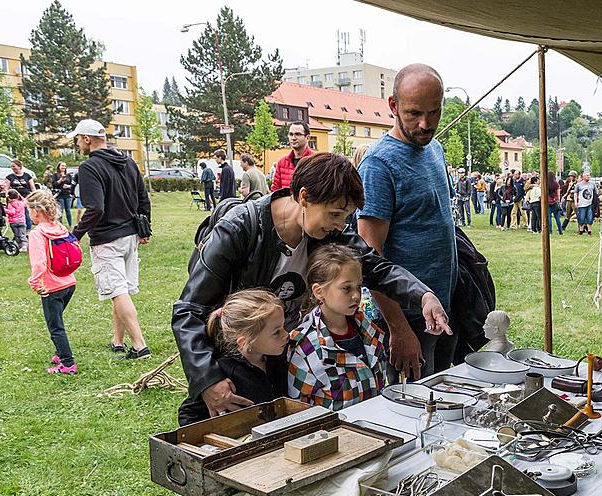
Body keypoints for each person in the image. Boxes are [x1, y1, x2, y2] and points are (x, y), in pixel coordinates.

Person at [174, 152, 450, 422]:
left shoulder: (328, 232)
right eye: (334, 214)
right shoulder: (238, 229)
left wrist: (423, 295)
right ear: (304, 197)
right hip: (234, 369)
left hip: (279, 358)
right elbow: (189, 310)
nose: (340, 226)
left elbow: (376, 267)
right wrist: (208, 379)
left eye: (346, 217)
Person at [357, 63, 458, 383]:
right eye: (414, 113)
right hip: (406, 318)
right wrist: (399, 330)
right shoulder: (378, 164)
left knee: (444, 399)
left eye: (435, 112)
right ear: (393, 106)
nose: (425, 124)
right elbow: (370, 258)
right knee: (415, 413)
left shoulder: (435, 148)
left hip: (441, 309)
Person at [68, 119, 152, 360]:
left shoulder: (89, 168)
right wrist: (144, 229)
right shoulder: (127, 161)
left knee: (117, 291)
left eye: (77, 138)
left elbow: (95, 209)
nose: (76, 143)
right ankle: (118, 340)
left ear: (87, 139)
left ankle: (139, 345)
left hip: (107, 239)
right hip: (130, 237)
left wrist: (76, 235)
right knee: (121, 289)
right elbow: (143, 199)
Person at [287, 244, 387, 410]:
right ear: (319, 291)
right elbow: (298, 409)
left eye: (359, 286)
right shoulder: (304, 347)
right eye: (346, 288)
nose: (356, 295)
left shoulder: (368, 329)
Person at [177, 289, 289, 425]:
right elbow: (188, 414)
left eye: (283, 327)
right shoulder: (224, 374)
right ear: (245, 342)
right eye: (276, 332)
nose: (286, 335)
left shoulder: (278, 360)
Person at [25, 190, 78, 374]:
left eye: (29, 210)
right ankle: (60, 351)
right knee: (57, 318)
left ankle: (68, 363)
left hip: (51, 286)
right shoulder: (60, 228)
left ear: (36, 212)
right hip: (69, 283)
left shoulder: (37, 233)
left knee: (55, 326)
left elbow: (39, 263)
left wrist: (34, 283)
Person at [271, 121, 315, 191]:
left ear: (307, 138)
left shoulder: (316, 161)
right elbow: (275, 190)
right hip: (286, 201)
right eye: (291, 134)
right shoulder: (282, 163)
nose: (293, 138)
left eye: (298, 134)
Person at [7, 159, 36, 231]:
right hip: (15, 199)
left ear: (19, 166)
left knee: (26, 213)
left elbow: (32, 187)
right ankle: (18, 230)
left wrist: (35, 196)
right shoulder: (9, 177)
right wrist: (8, 198)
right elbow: (6, 189)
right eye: (11, 167)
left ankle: (28, 230)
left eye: (14, 166)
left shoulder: (27, 176)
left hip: (26, 197)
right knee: (17, 215)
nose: (13, 168)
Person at [51, 162, 74, 228]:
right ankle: (59, 224)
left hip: (67, 194)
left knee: (68, 210)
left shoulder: (68, 175)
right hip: (59, 194)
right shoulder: (55, 175)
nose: (64, 167)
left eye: (65, 166)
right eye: (62, 166)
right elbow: (54, 184)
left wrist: (68, 186)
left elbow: (72, 184)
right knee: (60, 210)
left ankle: (70, 224)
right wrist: (61, 180)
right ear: (59, 167)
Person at [546, 170, 563, 235]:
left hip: (548, 202)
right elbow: (558, 194)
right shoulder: (556, 184)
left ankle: (550, 231)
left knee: (549, 217)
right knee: (557, 217)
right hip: (555, 202)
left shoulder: (546, 184)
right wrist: (558, 201)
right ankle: (560, 231)